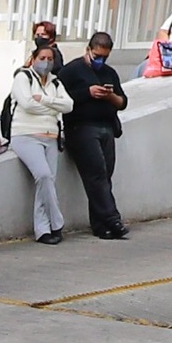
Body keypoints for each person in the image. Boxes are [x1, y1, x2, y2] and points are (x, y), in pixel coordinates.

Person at [56, 32, 130, 239]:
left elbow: (123, 102)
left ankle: (100, 225)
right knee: (96, 173)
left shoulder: (109, 73)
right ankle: (111, 218)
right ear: (88, 50)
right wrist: (87, 93)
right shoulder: (71, 71)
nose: (100, 61)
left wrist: (110, 96)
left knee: (105, 176)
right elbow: (60, 100)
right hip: (81, 127)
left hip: (107, 126)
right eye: (97, 56)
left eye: (104, 57)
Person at [8, 41, 73, 247]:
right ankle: (57, 221)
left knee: (47, 182)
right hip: (26, 135)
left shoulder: (55, 83)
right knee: (43, 175)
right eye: (42, 58)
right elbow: (27, 103)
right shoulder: (23, 77)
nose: (46, 63)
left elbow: (69, 105)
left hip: (51, 137)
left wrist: (44, 101)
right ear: (33, 59)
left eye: (50, 59)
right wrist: (54, 106)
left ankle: (43, 229)